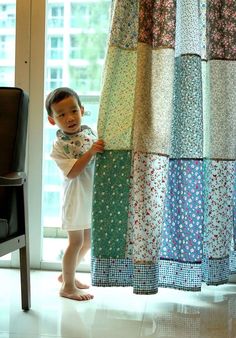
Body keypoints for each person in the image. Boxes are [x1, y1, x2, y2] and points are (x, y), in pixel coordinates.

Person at [45, 87, 104, 301]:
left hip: (89, 197)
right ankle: (67, 287)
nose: (69, 118)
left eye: (73, 111)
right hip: (75, 199)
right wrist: (90, 153)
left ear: (82, 110)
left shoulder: (89, 132)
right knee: (75, 242)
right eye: (61, 114)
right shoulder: (59, 145)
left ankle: (66, 275)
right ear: (53, 121)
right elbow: (73, 172)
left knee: (87, 242)